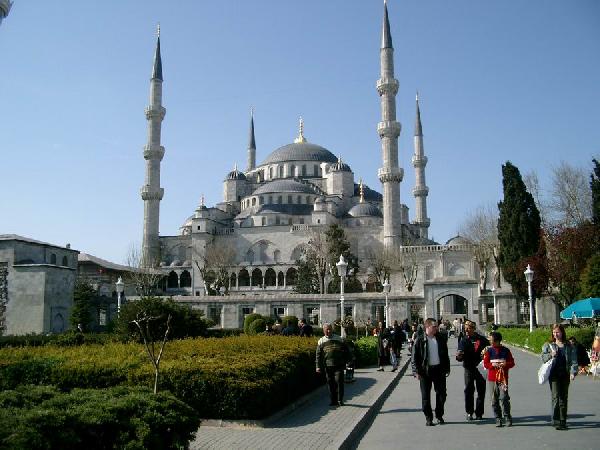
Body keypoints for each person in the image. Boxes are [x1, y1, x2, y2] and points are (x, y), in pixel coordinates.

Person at [411, 318, 450, 426]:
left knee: (442, 394)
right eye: (434, 326)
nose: (436, 328)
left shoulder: (440, 339)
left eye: (436, 326)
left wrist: (447, 368)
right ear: (427, 327)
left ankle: (439, 415)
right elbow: (414, 358)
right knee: (425, 397)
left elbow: (445, 355)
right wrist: (416, 371)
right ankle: (428, 417)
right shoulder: (419, 340)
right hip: (425, 372)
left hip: (439, 370)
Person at [541, 323, 578, 430]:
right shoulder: (548, 345)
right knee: (555, 397)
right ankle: (555, 419)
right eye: (554, 332)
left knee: (563, 397)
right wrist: (550, 355)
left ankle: (563, 420)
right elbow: (543, 358)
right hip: (553, 374)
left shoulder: (569, 346)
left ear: (562, 332)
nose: (555, 334)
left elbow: (574, 360)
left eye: (557, 332)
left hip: (565, 374)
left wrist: (573, 372)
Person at [457, 320, 490, 421]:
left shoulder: (482, 340)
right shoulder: (463, 340)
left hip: (480, 368)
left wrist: (486, 357)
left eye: (469, 328)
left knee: (481, 391)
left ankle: (479, 413)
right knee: (468, 390)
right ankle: (469, 412)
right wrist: (459, 356)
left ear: (473, 329)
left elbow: (489, 350)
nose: (466, 330)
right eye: (466, 328)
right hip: (469, 368)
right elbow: (459, 354)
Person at [483, 331, 515, 427]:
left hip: (503, 378)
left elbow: (512, 363)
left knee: (504, 398)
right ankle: (497, 418)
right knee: (494, 399)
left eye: (491, 340)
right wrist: (493, 365)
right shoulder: (489, 351)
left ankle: (507, 417)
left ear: (497, 341)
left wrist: (505, 364)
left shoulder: (505, 350)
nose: (490, 341)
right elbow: (485, 364)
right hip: (492, 378)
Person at [316, 323, 350, 407]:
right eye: (327, 329)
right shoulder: (321, 341)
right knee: (330, 383)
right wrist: (318, 366)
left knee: (339, 381)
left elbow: (346, 351)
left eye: (330, 329)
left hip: (339, 365)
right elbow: (318, 355)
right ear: (323, 330)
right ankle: (333, 400)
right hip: (328, 366)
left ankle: (340, 400)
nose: (328, 331)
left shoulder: (339, 339)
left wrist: (348, 361)